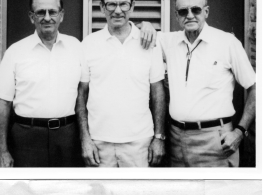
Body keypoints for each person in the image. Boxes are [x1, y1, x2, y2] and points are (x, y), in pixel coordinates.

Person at [153, 0, 255, 167]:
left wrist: (240, 131)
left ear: (206, 12)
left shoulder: (227, 43)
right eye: (183, 11)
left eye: (196, 10)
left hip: (215, 142)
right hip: (176, 140)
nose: (190, 15)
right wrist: (146, 25)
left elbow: (256, 88)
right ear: (176, 16)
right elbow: (134, 31)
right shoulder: (168, 41)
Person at [76, 0, 166, 167]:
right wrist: (85, 139)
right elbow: (81, 94)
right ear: (102, 8)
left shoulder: (149, 42)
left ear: (132, 7)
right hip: (98, 143)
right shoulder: (88, 44)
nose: (117, 10)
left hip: (139, 142)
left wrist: (159, 137)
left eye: (123, 4)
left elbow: (158, 92)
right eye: (111, 4)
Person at [0, 0, 85, 167]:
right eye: (40, 12)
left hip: (67, 136)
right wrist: (2, 149)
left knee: (66, 190)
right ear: (32, 17)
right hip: (26, 137)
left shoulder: (76, 47)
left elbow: (83, 94)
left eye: (52, 12)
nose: (47, 18)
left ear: (61, 15)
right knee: (27, 190)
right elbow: (3, 103)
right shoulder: (15, 52)